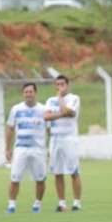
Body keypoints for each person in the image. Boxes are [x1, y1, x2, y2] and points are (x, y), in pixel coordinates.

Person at [5, 83, 48, 214]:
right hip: (20, 149)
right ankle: (11, 205)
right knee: (15, 178)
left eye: (30, 92)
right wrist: (7, 148)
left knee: (40, 179)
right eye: (26, 92)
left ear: (35, 93)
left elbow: (50, 129)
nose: (28, 94)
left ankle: (37, 204)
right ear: (23, 94)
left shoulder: (44, 109)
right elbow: (10, 128)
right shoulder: (16, 109)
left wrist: (50, 147)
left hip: (38, 149)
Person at [44, 74, 82, 212]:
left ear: (67, 85)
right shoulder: (49, 100)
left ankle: (77, 202)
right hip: (55, 139)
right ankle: (62, 203)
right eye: (57, 84)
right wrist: (60, 114)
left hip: (69, 139)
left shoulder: (74, 98)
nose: (60, 87)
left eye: (62, 84)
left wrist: (60, 98)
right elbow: (46, 116)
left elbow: (69, 112)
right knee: (57, 172)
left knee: (73, 171)